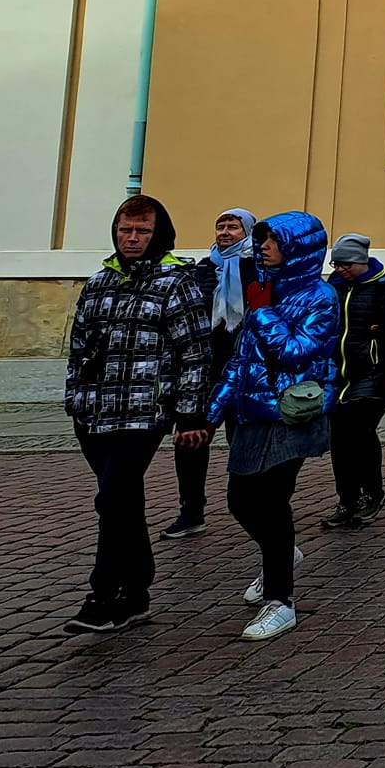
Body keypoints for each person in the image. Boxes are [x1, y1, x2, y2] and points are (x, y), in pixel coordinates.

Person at [62, 195, 213, 634]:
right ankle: (137, 591)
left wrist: (190, 415)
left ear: (157, 234)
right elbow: (79, 345)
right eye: (125, 230)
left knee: (112, 497)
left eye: (142, 231)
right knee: (121, 501)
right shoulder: (99, 281)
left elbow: (194, 352)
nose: (132, 238)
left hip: (144, 412)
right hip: (94, 411)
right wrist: (75, 397)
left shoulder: (176, 282)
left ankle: (103, 595)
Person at [205, 212, 340, 641]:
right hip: (252, 411)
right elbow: (241, 359)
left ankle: (281, 602)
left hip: (292, 412)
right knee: (240, 500)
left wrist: (263, 312)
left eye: (272, 241)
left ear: (297, 246)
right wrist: (210, 414)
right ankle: (280, 553)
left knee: (271, 500)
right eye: (261, 239)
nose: (263, 247)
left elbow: (297, 353)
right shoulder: (264, 288)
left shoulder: (320, 296)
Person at [163, 208, 257, 540]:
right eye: (221, 226)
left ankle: (250, 508)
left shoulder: (257, 267)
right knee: (190, 440)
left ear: (248, 232)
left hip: (243, 370)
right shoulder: (202, 269)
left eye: (233, 227)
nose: (225, 232)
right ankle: (191, 511)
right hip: (203, 371)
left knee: (241, 441)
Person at [322, 234, 385, 529]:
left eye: (345, 264)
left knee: (361, 432)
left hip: (375, 373)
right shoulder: (335, 288)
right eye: (336, 264)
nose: (341, 269)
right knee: (339, 438)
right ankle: (347, 499)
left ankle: (372, 493)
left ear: (360, 261)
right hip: (340, 374)